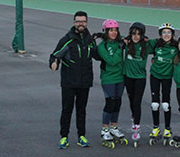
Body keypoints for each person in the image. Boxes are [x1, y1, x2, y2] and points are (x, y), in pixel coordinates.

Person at [49, 11, 97, 149]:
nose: (80, 24)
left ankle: (81, 136)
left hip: (85, 81)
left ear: (86, 22)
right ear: (74, 22)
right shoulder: (67, 39)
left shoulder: (89, 40)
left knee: (81, 110)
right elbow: (55, 55)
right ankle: (64, 137)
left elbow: (97, 55)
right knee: (67, 110)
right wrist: (54, 63)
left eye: (83, 21)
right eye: (78, 21)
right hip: (69, 82)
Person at [95, 19, 128, 148]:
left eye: (115, 30)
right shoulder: (102, 46)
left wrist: (142, 36)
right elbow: (112, 61)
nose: (114, 32)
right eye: (111, 30)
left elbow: (132, 37)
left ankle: (114, 127)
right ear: (106, 31)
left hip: (120, 77)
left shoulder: (121, 41)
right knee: (110, 102)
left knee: (117, 102)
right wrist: (120, 49)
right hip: (108, 78)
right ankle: (104, 129)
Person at [147, 23, 178, 145]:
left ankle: (167, 129)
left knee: (165, 104)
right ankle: (155, 128)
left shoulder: (175, 47)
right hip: (155, 75)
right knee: (155, 103)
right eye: (164, 32)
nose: (166, 35)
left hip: (167, 77)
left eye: (169, 32)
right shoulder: (156, 44)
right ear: (160, 34)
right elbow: (143, 46)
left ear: (172, 34)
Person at [123, 22, 149, 147]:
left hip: (140, 78)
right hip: (128, 77)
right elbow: (114, 40)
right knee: (131, 100)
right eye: (134, 34)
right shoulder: (127, 44)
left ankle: (136, 127)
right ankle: (134, 116)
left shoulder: (146, 45)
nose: (136, 36)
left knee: (137, 102)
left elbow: (161, 44)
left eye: (139, 34)